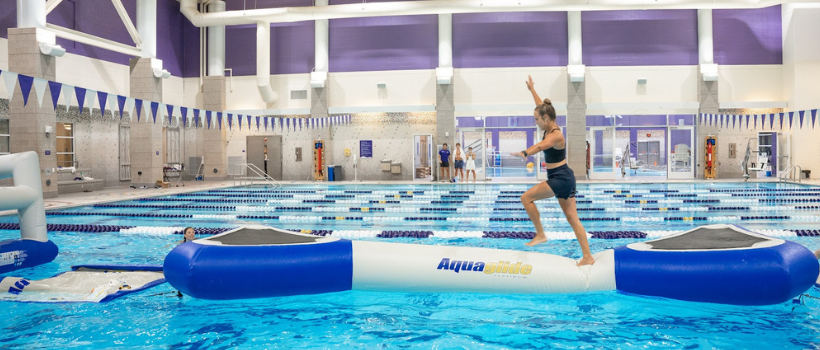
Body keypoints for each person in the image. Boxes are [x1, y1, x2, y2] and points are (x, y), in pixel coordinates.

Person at [511, 75, 594, 266]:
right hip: (565, 177)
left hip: (560, 178)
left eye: (537, 120)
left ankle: (540, 234)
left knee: (526, 198)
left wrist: (525, 152)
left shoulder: (556, 135)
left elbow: (541, 146)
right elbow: (541, 106)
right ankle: (588, 257)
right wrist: (532, 90)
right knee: (573, 219)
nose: (536, 122)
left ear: (546, 118)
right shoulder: (548, 121)